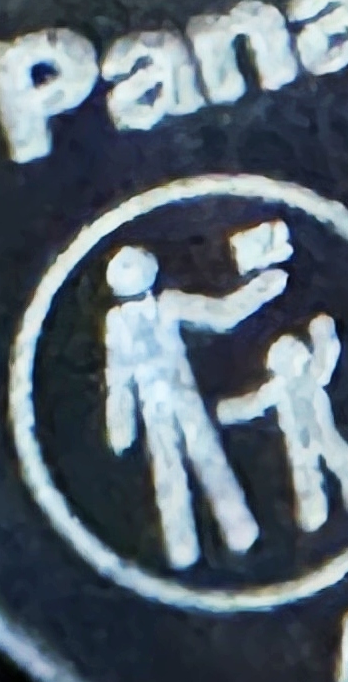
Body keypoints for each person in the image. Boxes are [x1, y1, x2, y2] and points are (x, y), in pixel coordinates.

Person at [101, 243, 285, 569]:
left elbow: (220, 313)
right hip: (155, 408)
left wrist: (260, 289)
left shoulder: (167, 304)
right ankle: (183, 544)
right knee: (170, 471)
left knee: (204, 460)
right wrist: (120, 424)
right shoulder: (117, 323)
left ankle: (237, 530)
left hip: (183, 397)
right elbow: (118, 375)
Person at [219, 315, 348, 533]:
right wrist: (226, 411)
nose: (299, 350)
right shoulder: (277, 388)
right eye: (291, 350)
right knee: (306, 476)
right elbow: (253, 404)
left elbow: (326, 356)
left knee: (342, 459)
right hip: (299, 442)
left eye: (296, 347)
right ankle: (313, 510)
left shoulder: (313, 375)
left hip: (322, 433)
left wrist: (323, 333)